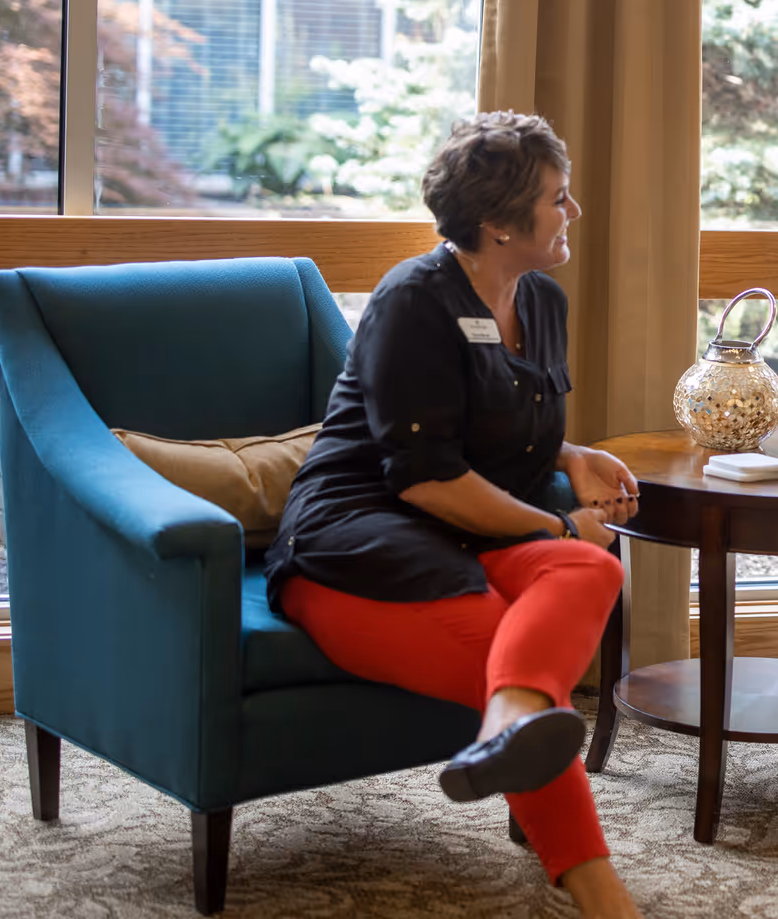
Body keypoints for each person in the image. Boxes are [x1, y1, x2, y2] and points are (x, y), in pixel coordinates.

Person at [264, 111, 645, 919]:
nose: (572, 212)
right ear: (498, 224)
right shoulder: (412, 301)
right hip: (356, 539)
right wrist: (552, 526)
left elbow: (496, 421)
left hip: (469, 526)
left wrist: (570, 457)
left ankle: (507, 719)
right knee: (524, 632)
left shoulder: (539, 300)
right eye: (557, 200)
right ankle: (604, 898)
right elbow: (426, 479)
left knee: (592, 566)